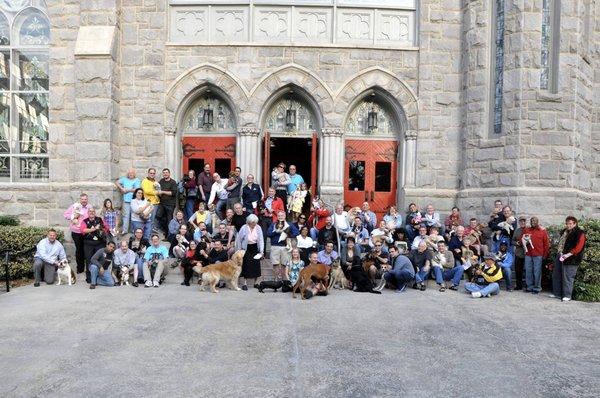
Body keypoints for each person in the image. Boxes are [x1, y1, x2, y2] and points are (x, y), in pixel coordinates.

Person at [550, 216, 586, 302]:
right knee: (556, 275)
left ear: (575, 224)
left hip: (572, 258)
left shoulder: (580, 233)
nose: (568, 225)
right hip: (560, 255)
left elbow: (579, 247)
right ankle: (557, 293)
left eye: (570, 224)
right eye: (567, 223)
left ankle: (567, 295)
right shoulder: (564, 231)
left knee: (568, 277)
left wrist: (568, 255)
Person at [522, 216, 550, 294]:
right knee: (528, 271)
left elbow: (546, 244)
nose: (533, 222)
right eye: (531, 221)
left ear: (537, 222)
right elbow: (522, 240)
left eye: (534, 221)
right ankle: (529, 287)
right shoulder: (527, 230)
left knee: (537, 272)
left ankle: (537, 288)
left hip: (538, 254)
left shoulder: (542, 231)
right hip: (528, 254)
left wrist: (544, 255)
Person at [235, 214, 264, 290]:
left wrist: (261, 251)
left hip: (255, 247)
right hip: (246, 248)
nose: (253, 224)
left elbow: (261, 240)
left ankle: (256, 283)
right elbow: (239, 239)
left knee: (256, 265)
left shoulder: (258, 228)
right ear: (249, 222)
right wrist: (239, 250)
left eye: (255, 223)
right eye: (252, 223)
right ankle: (245, 284)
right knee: (246, 265)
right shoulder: (244, 228)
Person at [267, 211, 299, 280]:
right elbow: (268, 234)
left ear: (285, 216)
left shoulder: (289, 224)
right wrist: (276, 232)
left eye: (282, 215)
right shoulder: (273, 224)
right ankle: (276, 280)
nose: (280, 217)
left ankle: (284, 281)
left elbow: (297, 232)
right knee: (275, 264)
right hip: (275, 246)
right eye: (279, 216)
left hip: (285, 247)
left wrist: (288, 235)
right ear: (277, 217)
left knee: (285, 264)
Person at [63, 193, 90, 274]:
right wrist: (73, 216)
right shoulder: (75, 206)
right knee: (79, 250)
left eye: (85, 199)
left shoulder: (89, 207)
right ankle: (80, 268)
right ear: (80, 199)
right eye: (82, 199)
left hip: (86, 231)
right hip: (76, 232)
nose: (84, 201)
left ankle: (88, 269)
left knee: (87, 250)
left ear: (87, 200)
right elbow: (65, 215)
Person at [81, 207, 108, 283]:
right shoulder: (84, 221)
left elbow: (106, 228)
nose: (91, 212)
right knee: (89, 260)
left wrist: (102, 230)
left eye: (93, 211)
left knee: (100, 260)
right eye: (90, 211)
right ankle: (89, 278)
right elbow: (83, 230)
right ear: (88, 213)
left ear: (95, 212)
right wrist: (94, 229)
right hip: (88, 244)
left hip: (99, 243)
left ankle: (99, 277)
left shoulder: (99, 219)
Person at [115, 168, 140, 234]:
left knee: (134, 216)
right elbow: (117, 182)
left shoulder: (137, 180)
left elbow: (137, 189)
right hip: (126, 200)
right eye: (129, 173)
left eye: (132, 173)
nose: (130, 174)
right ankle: (125, 230)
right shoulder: (124, 179)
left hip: (134, 200)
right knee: (125, 215)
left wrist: (127, 190)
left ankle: (133, 230)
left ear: (134, 174)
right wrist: (122, 188)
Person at [156, 168, 178, 234]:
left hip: (170, 204)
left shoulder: (173, 182)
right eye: (164, 173)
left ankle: (169, 235)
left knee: (169, 220)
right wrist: (159, 193)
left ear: (169, 173)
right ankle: (164, 230)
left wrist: (162, 192)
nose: (165, 174)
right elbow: (158, 190)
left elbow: (173, 193)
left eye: (166, 172)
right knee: (158, 216)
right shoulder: (161, 181)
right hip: (162, 203)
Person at [512, 217, 527, 290]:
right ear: (519, 223)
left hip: (527, 253)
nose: (522, 223)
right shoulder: (517, 231)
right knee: (518, 270)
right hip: (518, 253)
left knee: (527, 270)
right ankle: (519, 285)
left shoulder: (528, 230)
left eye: (524, 221)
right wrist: (516, 243)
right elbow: (512, 241)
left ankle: (528, 285)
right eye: (521, 221)